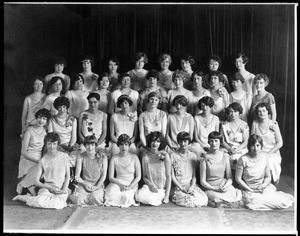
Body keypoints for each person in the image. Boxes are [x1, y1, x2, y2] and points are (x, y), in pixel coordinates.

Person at [235, 134, 294, 210]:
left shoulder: (264, 157)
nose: (255, 148)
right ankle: (261, 202)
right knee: (253, 202)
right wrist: (249, 189)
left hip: (263, 187)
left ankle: (265, 201)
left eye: (258, 145)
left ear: (261, 146)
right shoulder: (243, 159)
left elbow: (268, 177)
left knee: (279, 203)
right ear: (249, 146)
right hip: (248, 189)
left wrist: (263, 185)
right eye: (253, 145)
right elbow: (238, 179)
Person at [13, 132, 71, 210]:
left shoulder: (65, 156)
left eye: (54, 144)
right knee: (40, 201)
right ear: (46, 144)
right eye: (49, 144)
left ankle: (33, 197)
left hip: (60, 188)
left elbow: (67, 176)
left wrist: (63, 190)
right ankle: (24, 198)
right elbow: (36, 181)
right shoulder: (43, 160)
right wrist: (49, 187)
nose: (52, 146)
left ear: (58, 144)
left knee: (58, 204)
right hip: (47, 188)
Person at [200, 131, 242, 208]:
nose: (214, 143)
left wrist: (225, 186)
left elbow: (229, 178)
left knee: (233, 194)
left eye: (216, 141)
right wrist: (214, 188)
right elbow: (202, 181)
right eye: (211, 141)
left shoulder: (225, 156)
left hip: (222, 185)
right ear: (209, 142)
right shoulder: (204, 159)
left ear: (220, 142)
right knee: (217, 198)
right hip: (211, 187)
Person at [16, 108, 51, 196]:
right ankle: (26, 185)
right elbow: (23, 152)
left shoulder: (45, 132)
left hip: (39, 157)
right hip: (27, 158)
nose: (41, 120)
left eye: (44, 118)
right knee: (40, 166)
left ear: (46, 120)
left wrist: (43, 159)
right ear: (36, 118)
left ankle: (24, 184)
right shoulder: (29, 131)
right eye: (39, 117)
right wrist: (38, 161)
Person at [170, 131, 208, 207]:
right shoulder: (173, 155)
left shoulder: (193, 155)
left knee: (202, 199)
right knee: (189, 200)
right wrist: (180, 187)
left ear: (189, 142)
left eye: (185, 141)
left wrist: (192, 186)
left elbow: (194, 176)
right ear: (178, 142)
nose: (183, 144)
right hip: (178, 185)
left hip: (189, 184)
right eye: (180, 141)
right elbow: (172, 175)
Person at [69, 135, 108, 206]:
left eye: (92, 145)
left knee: (96, 198)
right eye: (87, 145)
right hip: (84, 183)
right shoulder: (80, 156)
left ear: (95, 145)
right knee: (79, 199)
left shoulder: (103, 157)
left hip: (97, 183)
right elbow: (77, 176)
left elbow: (104, 175)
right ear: (84, 145)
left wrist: (97, 186)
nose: (90, 147)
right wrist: (85, 184)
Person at [104, 134, 141, 207]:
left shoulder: (134, 157)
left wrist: (130, 186)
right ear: (118, 145)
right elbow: (110, 177)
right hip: (118, 182)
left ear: (129, 145)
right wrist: (120, 185)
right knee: (112, 194)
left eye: (126, 144)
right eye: (121, 145)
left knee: (126, 197)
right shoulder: (114, 157)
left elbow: (138, 176)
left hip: (131, 183)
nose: (123, 147)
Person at [135, 131, 172, 206]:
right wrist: (150, 185)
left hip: (161, 187)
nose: (155, 144)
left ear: (161, 143)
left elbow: (168, 176)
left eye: (158, 141)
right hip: (150, 186)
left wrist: (167, 196)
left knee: (153, 200)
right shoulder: (145, 156)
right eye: (153, 141)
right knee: (138, 196)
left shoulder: (164, 155)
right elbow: (144, 177)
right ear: (149, 142)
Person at [251, 102, 283, 185]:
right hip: (258, 151)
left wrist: (268, 153)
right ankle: (256, 184)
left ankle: (271, 184)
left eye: (264, 111)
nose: (261, 113)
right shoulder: (255, 123)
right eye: (259, 111)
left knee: (270, 162)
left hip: (272, 152)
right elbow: (252, 140)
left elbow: (280, 143)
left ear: (268, 112)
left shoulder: (273, 124)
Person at [48, 96, 80, 167]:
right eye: (60, 107)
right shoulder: (52, 120)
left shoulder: (73, 119)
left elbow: (74, 136)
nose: (62, 110)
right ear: (56, 108)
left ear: (67, 107)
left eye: (64, 107)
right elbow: (51, 136)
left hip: (70, 145)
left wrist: (70, 147)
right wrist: (59, 147)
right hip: (57, 145)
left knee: (77, 157)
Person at [220, 102, 249, 171]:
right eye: (231, 112)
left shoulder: (244, 125)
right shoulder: (225, 125)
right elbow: (221, 140)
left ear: (239, 112)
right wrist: (229, 148)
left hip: (240, 148)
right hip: (227, 148)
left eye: (235, 111)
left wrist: (237, 149)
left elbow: (245, 142)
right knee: (222, 157)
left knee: (239, 158)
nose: (233, 114)